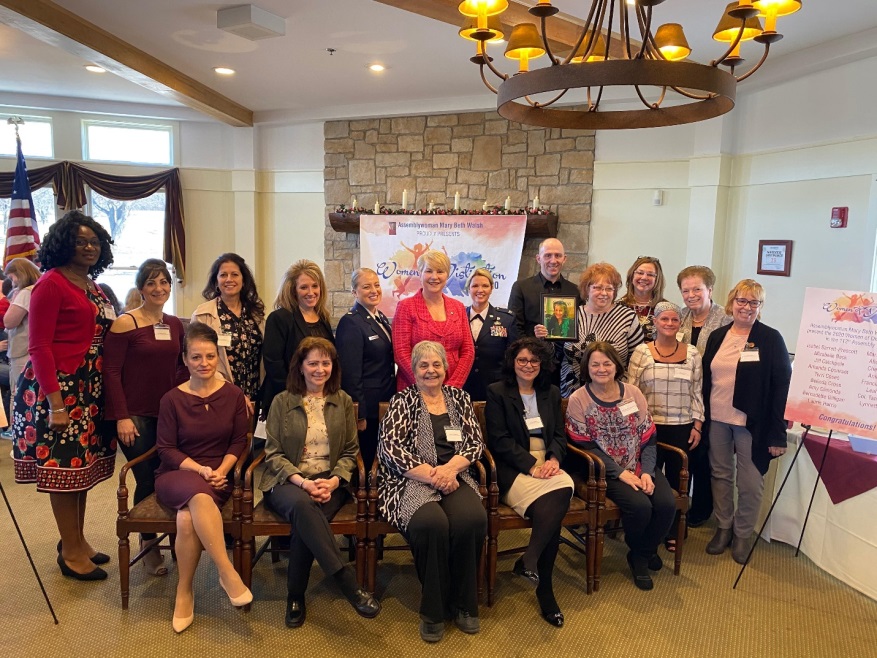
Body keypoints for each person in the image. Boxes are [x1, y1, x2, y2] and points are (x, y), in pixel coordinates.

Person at [12, 210, 117, 580]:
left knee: (82, 470)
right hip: (58, 389)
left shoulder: (93, 286)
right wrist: (56, 403)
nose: (89, 247)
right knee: (65, 468)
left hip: (89, 387)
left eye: (95, 241)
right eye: (80, 241)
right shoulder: (50, 284)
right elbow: (39, 347)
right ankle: (70, 551)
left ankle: (77, 540)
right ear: (63, 245)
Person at [259, 337, 381, 628]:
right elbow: (272, 453)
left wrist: (335, 481)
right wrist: (303, 483)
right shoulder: (281, 401)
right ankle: (348, 583)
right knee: (304, 506)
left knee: (306, 523)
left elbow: (352, 452)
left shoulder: (342, 400)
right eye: (312, 362)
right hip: (287, 481)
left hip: (330, 484)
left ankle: (295, 597)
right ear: (300, 367)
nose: (319, 369)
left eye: (325, 362)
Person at [378, 341, 486, 643]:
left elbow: (474, 443)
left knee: (472, 519)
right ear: (413, 370)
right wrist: (433, 475)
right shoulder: (402, 400)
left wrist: (450, 470)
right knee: (431, 524)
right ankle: (433, 609)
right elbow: (391, 449)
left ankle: (465, 604)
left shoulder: (460, 398)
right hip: (411, 479)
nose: (430, 370)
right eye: (423, 365)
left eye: (436, 364)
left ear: (445, 368)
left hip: (455, 474)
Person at [154, 321, 252, 633]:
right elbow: (166, 449)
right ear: (184, 360)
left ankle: (184, 592)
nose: (204, 363)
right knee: (197, 495)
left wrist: (222, 472)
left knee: (185, 520)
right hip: (178, 473)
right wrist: (201, 471)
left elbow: (239, 442)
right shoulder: (171, 399)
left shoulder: (234, 395)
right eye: (196, 357)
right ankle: (226, 571)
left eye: (210, 356)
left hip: (220, 474)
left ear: (218, 357)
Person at [566, 341, 676, 591]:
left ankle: (641, 551)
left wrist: (647, 471)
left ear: (616, 366)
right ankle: (641, 557)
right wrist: (620, 474)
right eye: (595, 364)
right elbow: (585, 447)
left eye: (607, 363)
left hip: (638, 463)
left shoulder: (633, 393)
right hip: (605, 471)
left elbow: (648, 437)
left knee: (666, 504)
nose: (601, 368)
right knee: (640, 507)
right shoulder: (578, 399)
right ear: (587, 368)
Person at [104, 258, 186, 577]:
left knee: (169, 475)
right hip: (134, 416)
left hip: (167, 413)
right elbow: (111, 372)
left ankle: (175, 534)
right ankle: (149, 543)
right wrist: (122, 417)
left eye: (163, 282)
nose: (158, 288)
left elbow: (180, 366)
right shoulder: (126, 323)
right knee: (147, 478)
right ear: (140, 288)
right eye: (151, 283)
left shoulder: (175, 324)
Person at [484, 337, 573, 627]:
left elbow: (559, 435)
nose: (528, 365)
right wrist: (532, 466)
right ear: (513, 361)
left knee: (562, 490)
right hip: (515, 468)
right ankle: (545, 591)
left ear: (542, 364)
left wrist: (554, 460)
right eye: (522, 360)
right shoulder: (497, 392)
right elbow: (498, 440)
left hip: (548, 465)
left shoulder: (551, 392)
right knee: (553, 512)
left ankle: (529, 560)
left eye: (534, 361)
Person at [701, 279, 791, 564]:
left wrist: (777, 434)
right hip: (717, 419)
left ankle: (742, 534)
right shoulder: (718, 336)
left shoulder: (770, 338)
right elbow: (706, 377)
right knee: (720, 475)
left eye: (754, 302)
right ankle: (724, 527)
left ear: (760, 307)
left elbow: (781, 387)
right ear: (732, 303)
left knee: (751, 482)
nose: (747, 307)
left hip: (751, 423)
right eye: (742, 301)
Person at [626, 302, 704, 552]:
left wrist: (698, 424)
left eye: (674, 320)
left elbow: (697, 391)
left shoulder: (692, 353)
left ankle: (674, 530)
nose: (670, 324)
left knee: (678, 479)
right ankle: (649, 524)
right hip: (649, 427)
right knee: (648, 476)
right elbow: (631, 390)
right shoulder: (641, 352)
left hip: (682, 426)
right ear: (655, 323)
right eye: (664, 320)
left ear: (680, 324)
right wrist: (633, 426)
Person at [676, 265, 731, 527]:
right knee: (685, 452)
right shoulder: (679, 317)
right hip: (682, 398)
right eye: (685, 290)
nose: (691, 295)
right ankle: (681, 505)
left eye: (697, 289)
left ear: (710, 289)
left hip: (714, 395)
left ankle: (701, 509)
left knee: (705, 456)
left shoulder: (726, 320)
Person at [335, 268, 395, 469]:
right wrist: (358, 413)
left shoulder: (380, 317)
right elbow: (350, 374)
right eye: (366, 286)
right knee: (368, 460)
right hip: (367, 408)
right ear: (354, 292)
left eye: (376, 285)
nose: (374, 290)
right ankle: (367, 497)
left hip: (384, 402)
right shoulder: (351, 322)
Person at [192, 253, 264, 417]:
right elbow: (198, 362)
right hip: (219, 396)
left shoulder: (256, 314)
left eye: (235, 274)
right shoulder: (203, 315)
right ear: (216, 281)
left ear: (243, 280)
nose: (229, 279)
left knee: (251, 441)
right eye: (223, 275)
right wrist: (234, 394)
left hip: (255, 397)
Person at [392, 250, 474, 391]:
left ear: (447, 275)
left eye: (440, 271)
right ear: (420, 273)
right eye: (429, 271)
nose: (434, 277)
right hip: (415, 387)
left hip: (453, 386)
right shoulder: (406, 306)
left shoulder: (459, 307)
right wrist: (427, 384)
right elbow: (401, 352)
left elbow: (468, 351)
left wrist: (453, 386)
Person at [262, 260, 334, 416]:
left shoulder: (323, 318)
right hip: (287, 400)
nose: (311, 292)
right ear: (293, 290)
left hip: (319, 398)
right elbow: (274, 364)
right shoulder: (279, 318)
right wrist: (296, 396)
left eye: (315, 286)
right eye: (304, 287)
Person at [561, 262, 644, 397]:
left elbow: (638, 358)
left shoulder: (627, 317)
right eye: (598, 287)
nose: (603, 293)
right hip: (572, 391)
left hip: (614, 394)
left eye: (609, 288)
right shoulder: (570, 315)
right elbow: (558, 352)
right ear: (587, 289)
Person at [508, 238, 580, 387]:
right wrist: (532, 345)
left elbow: (580, 326)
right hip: (532, 365)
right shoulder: (522, 287)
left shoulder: (575, 291)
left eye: (558, 255)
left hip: (566, 366)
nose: (553, 260)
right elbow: (514, 328)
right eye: (547, 255)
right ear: (538, 258)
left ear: (564, 259)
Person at [462, 268, 517, 402]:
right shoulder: (458, 316)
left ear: (491, 288)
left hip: (495, 388)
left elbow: (512, 355)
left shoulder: (506, 319)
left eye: (485, 286)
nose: (480, 290)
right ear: (468, 289)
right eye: (475, 285)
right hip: (462, 386)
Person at [4, 257, 41, 404]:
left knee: (18, 395)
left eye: (12, 278)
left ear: (21, 274)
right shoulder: (39, 289)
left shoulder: (26, 292)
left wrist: (13, 301)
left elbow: (9, 321)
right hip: (33, 349)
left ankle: (15, 427)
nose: (12, 283)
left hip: (22, 350)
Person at [620, 256, 666, 342]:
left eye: (650, 274)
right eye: (640, 273)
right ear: (632, 275)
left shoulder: (666, 309)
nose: (644, 277)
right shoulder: (617, 307)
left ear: (657, 279)